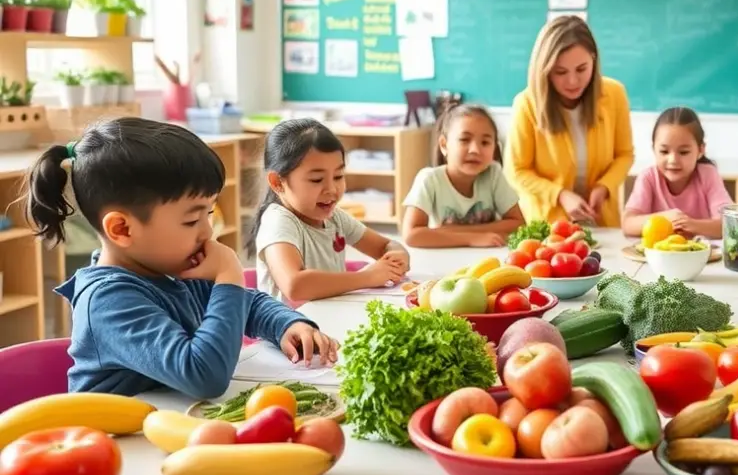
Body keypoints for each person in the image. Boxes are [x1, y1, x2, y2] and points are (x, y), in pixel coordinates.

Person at [27, 118, 337, 400]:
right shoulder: (108, 301)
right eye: (191, 220)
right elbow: (204, 376)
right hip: (118, 451)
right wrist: (228, 275)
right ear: (122, 229)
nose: (208, 230)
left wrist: (287, 324)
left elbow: (249, 304)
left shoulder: (168, 268)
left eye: (209, 213)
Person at [248, 119, 410, 303]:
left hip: (328, 319)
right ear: (278, 182)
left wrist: (398, 256)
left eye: (338, 176)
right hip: (291, 330)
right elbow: (295, 285)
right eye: (317, 180)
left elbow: (384, 246)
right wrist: (368, 277)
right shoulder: (278, 221)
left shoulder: (335, 218)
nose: (332, 189)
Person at [504, 15, 634, 228]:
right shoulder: (526, 104)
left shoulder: (615, 94)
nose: (572, 81)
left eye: (582, 69)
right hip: (547, 227)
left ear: (594, 59)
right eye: (560, 72)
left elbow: (624, 155)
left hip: (603, 223)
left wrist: (604, 187)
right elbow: (516, 171)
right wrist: (560, 195)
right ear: (544, 70)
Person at [402, 103, 524, 247]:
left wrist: (455, 231)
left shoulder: (493, 174)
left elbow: (518, 224)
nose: (475, 150)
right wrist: (471, 239)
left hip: (487, 256)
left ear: (494, 148)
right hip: (443, 259)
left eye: (485, 142)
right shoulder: (429, 179)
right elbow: (412, 235)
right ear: (443, 145)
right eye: (464, 140)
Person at [622, 106, 731, 240]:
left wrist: (690, 225)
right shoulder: (648, 177)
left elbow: (730, 224)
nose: (673, 160)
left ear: (700, 150)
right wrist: (665, 218)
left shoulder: (708, 175)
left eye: (683, 152)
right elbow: (627, 223)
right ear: (653, 149)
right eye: (664, 152)